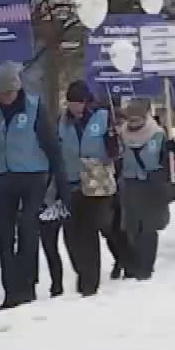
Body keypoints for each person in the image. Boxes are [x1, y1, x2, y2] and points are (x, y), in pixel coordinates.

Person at [0, 62, 66, 307]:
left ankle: (27, 287)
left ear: (17, 89)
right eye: (0, 94)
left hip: (32, 176)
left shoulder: (34, 106)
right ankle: (11, 290)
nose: (5, 98)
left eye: (9, 93)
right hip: (1, 176)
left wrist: (59, 182)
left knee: (28, 230)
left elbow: (51, 145)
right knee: (5, 237)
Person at [57, 82, 118, 297]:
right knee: (72, 235)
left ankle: (89, 283)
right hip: (72, 181)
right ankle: (82, 272)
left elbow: (114, 150)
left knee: (90, 230)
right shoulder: (62, 122)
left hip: (96, 182)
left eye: (78, 103)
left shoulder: (102, 117)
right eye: (71, 103)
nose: (75, 108)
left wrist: (112, 142)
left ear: (86, 101)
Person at [114, 98, 169, 279]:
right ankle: (132, 265)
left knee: (148, 228)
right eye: (130, 119)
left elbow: (165, 162)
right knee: (131, 227)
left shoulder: (158, 134)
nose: (133, 122)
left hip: (150, 185)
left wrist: (165, 183)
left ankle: (146, 266)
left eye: (137, 119)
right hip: (129, 185)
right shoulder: (121, 134)